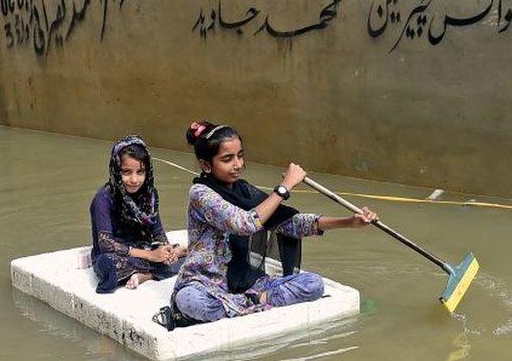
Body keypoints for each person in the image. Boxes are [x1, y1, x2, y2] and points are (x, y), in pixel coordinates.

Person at [170, 121, 377, 323]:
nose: (238, 165)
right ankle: (254, 304)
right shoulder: (200, 194)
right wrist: (284, 187)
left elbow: (291, 224)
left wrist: (350, 222)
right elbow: (244, 224)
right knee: (190, 301)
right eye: (227, 159)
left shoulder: (245, 191)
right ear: (206, 164)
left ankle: (246, 303)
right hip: (205, 284)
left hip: (249, 283)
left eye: (240, 156)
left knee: (313, 284)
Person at [90, 135, 187, 293]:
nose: (134, 179)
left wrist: (166, 250)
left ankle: (145, 275)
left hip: (144, 248)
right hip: (117, 254)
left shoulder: (150, 195)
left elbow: (157, 231)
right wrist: (151, 256)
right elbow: (106, 244)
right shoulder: (103, 198)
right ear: (116, 169)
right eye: (127, 172)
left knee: (194, 258)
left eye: (140, 172)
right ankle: (155, 269)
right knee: (107, 265)